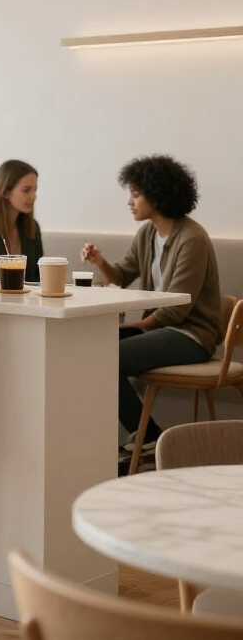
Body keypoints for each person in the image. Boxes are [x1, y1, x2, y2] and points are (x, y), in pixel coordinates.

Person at [82, 155, 222, 466]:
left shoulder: (192, 238)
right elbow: (122, 275)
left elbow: (177, 309)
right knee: (92, 348)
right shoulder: (147, 234)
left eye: (135, 194)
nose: (130, 202)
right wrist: (100, 262)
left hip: (193, 335)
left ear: (156, 196)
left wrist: (132, 327)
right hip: (162, 328)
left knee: (107, 355)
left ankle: (146, 437)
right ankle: (136, 438)